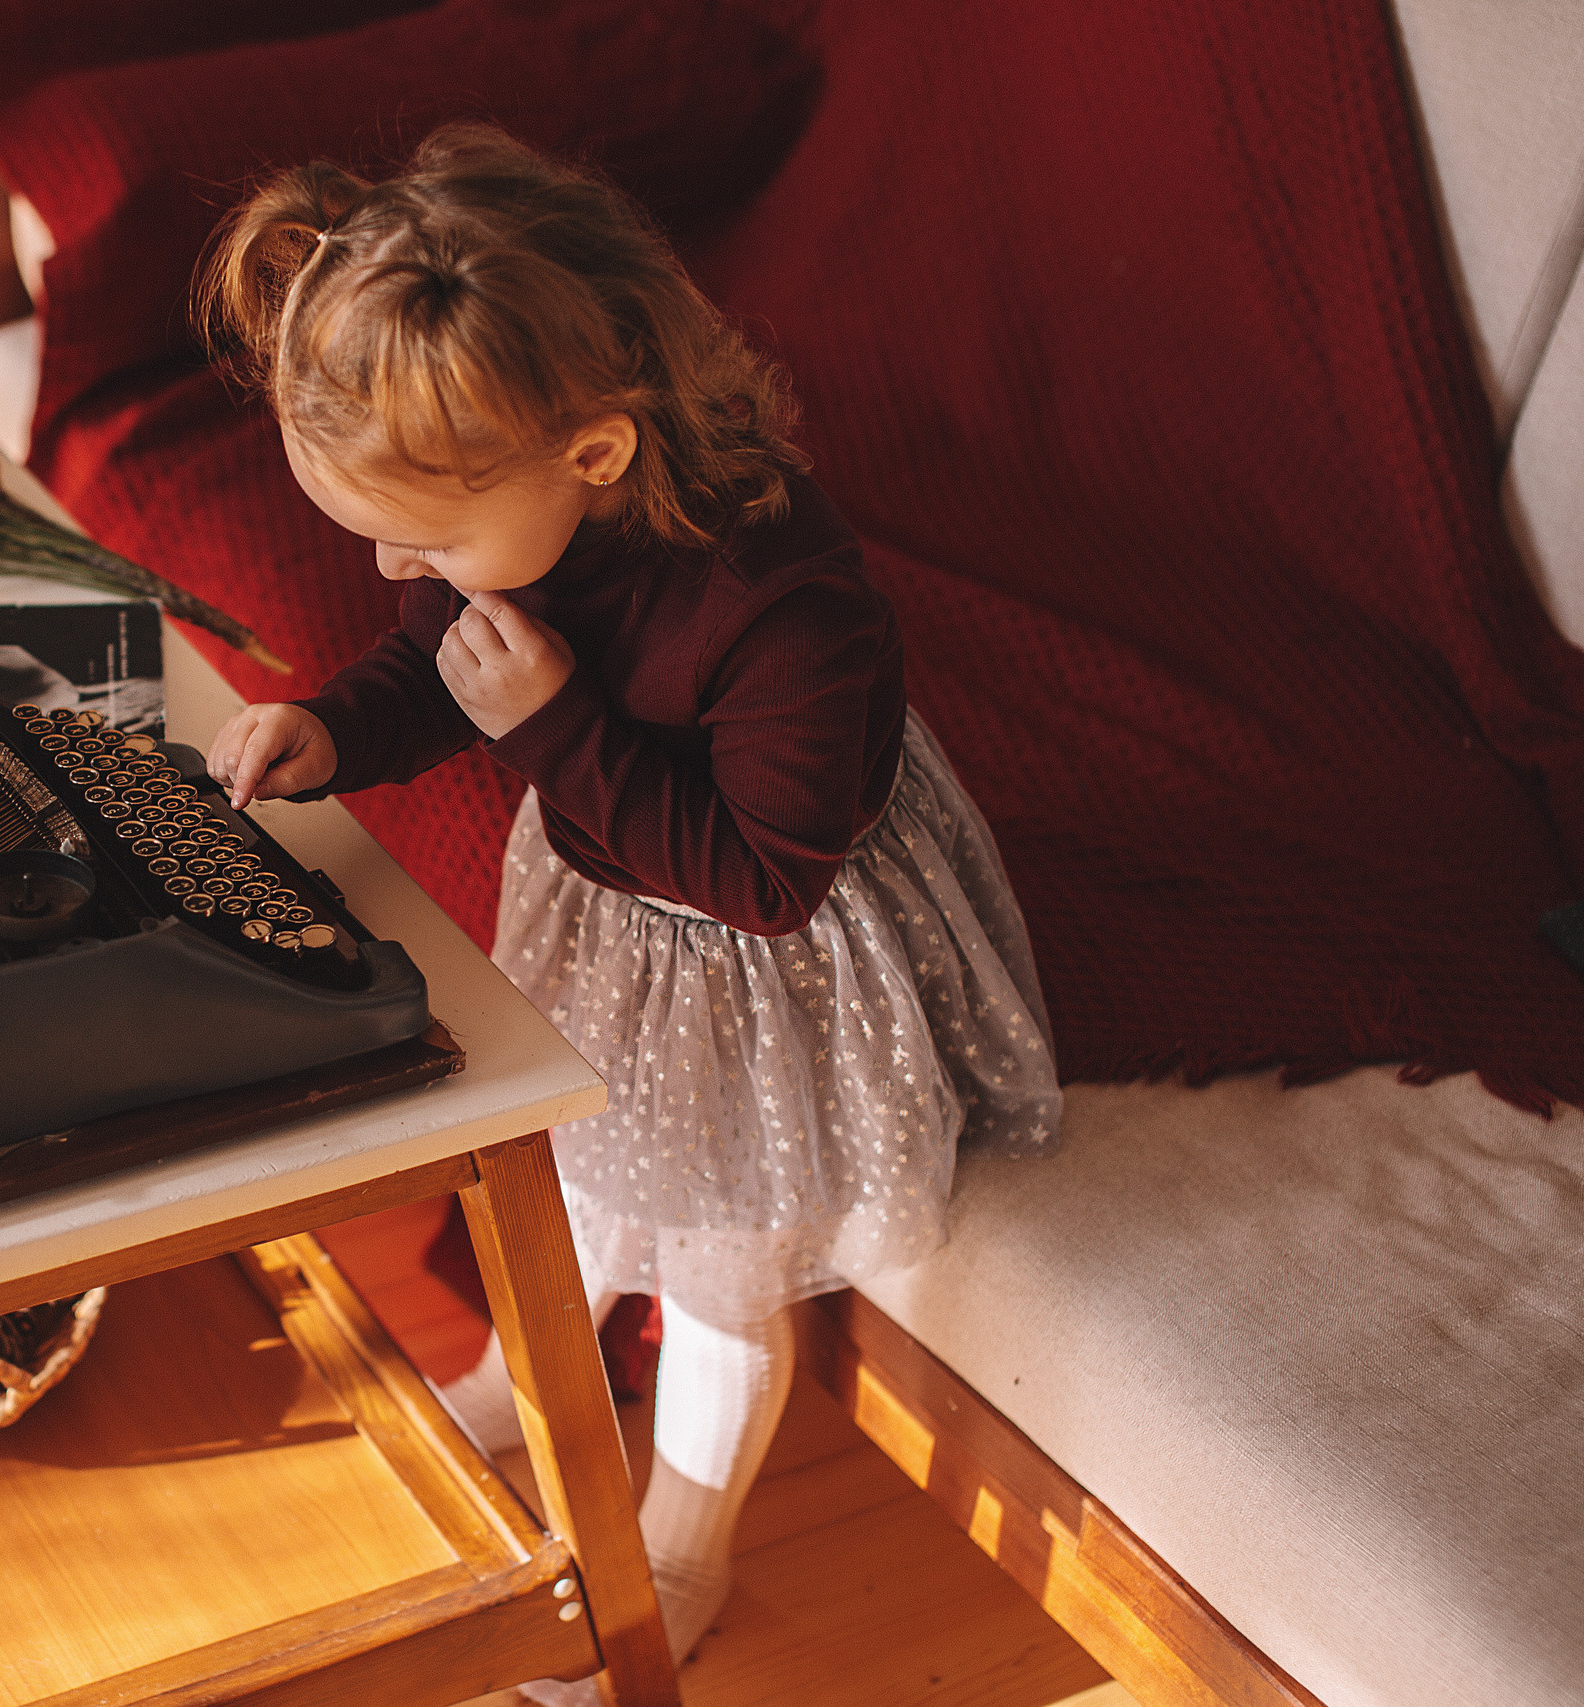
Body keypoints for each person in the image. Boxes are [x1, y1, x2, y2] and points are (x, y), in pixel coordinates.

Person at [201, 124, 1061, 1689]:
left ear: (594, 453)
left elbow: (765, 881)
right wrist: (332, 726)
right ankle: (510, 1383)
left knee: (723, 1268)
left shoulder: (784, 608)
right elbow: (434, 666)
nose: (402, 564)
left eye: (425, 538)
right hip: (615, 893)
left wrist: (553, 733)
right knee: (586, 1175)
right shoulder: (507, 503)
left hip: (765, 946)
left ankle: (682, 1547)